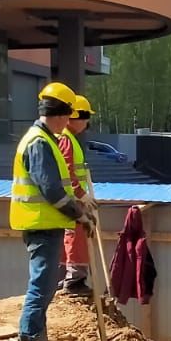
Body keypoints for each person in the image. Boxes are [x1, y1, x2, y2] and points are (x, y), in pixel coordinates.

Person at [10, 82, 88, 341]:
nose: (69, 123)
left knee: (44, 288)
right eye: (68, 116)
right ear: (60, 114)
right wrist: (79, 213)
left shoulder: (46, 139)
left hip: (46, 223)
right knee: (40, 286)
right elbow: (52, 191)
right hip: (40, 224)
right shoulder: (39, 143)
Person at [58, 95, 96, 298]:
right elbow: (67, 173)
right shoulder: (66, 139)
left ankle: (69, 278)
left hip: (72, 198)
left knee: (73, 237)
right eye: (84, 117)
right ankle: (74, 280)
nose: (86, 122)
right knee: (76, 237)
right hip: (72, 199)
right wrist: (81, 195)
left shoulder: (68, 138)